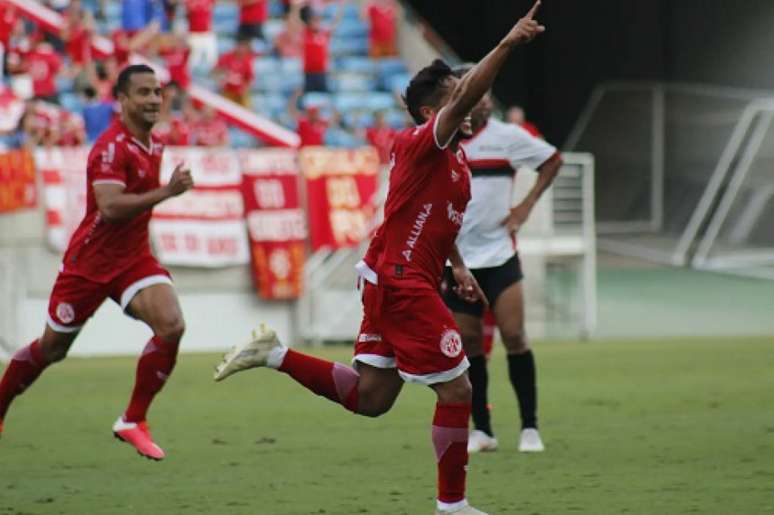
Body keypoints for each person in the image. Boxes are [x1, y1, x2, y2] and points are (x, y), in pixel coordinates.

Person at [213, 4, 545, 514]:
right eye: (457, 96)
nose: (472, 103)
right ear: (434, 113)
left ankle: (274, 354)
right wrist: (507, 43)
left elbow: (436, 219)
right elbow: (473, 94)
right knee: (458, 389)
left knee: (371, 398)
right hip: (402, 281)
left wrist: (456, 265)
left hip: (397, 277)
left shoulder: (454, 159)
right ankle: (452, 507)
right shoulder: (422, 142)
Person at [0, 65, 195, 461]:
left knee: (172, 325)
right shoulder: (110, 147)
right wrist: (166, 192)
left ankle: (132, 420)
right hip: (89, 264)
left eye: (157, 92)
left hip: (133, 258)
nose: (154, 99)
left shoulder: (154, 145)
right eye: (143, 92)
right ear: (121, 100)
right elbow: (109, 207)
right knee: (52, 349)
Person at [441, 70, 562, 454]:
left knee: (514, 336)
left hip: (499, 255)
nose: (486, 101)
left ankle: (529, 427)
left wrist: (525, 206)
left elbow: (552, 160)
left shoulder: (506, 138)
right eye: (478, 94)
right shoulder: (442, 141)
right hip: (458, 261)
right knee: (470, 344)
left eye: (489, 94)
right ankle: (484, 430)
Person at [300, 0, 345, 92]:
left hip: (322, 72)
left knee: (323, 98)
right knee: (309, 99)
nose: (317, 22)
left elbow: (335, 23)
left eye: (318, 20)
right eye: (314, 20)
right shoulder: (305, 33)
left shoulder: (323, 33)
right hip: (308, 73)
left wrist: (341, 7)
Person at [214, 34, 255, 107]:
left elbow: (250, 78)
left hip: (240, 93)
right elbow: (215, 72)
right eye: (240, 46)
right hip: (226, 90)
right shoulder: (226, 57)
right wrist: (223, 78)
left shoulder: (248, 61)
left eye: (243, 46)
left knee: (246, 101)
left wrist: (243, 87)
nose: (241, 49)